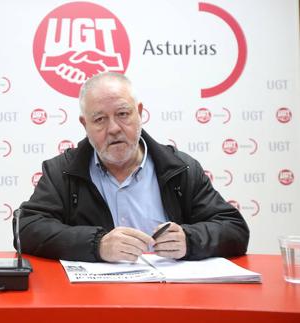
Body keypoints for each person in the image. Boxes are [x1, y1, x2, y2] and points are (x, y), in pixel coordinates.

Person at [18, 72, 249, 263]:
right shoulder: (62, 172)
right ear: (84, 124)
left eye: (123, 114)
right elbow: (28, 228)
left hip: (168, 300)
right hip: (93, 302)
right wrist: (97, 245)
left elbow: (234, 229)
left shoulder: (180, 169)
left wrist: (190, 240)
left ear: (139, 113)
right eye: (99, 119)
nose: (114, 128)